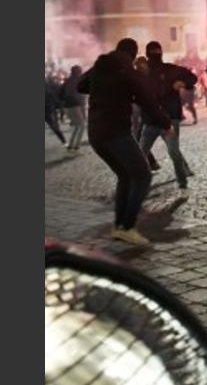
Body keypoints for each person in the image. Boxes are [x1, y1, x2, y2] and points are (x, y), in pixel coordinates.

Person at [78, 38, 173, 246]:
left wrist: (103, 87)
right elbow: (147, 101)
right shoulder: (128, 72)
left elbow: (80, 85)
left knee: (125, 175)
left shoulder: (100, 67)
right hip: (116, 132)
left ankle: (119, 227)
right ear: (133, 53)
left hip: (96, 134)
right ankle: (128, 226)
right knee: (143, 175)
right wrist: (166, 123)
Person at [138, 41, 198, 197]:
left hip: (169, 120)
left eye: (157, 50)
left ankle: (183, 183)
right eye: (153, 51)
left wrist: (183, 83)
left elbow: (192, 77)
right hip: (151, 120)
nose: (155, 53)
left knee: (173, 152)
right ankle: (140, 185)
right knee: (141, 154)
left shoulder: (171, 69)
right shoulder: (143, 73)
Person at [60, 65, 87, 151]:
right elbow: (79, 95)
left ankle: (71, 145)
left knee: (77, 126)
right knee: (81, 126)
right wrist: (83, 107)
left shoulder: (67, 80)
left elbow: (61, 92)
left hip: (68, 106)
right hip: (75, 106)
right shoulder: (78, 80)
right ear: (78, 72)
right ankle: (76, 146)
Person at [44, 76, 67, 144]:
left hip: (48, 108)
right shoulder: (49, 86)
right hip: (49, 108)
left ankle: (63, 140)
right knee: (54, 125)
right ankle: (63, 141)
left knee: (54, 125)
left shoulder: (48, 86)